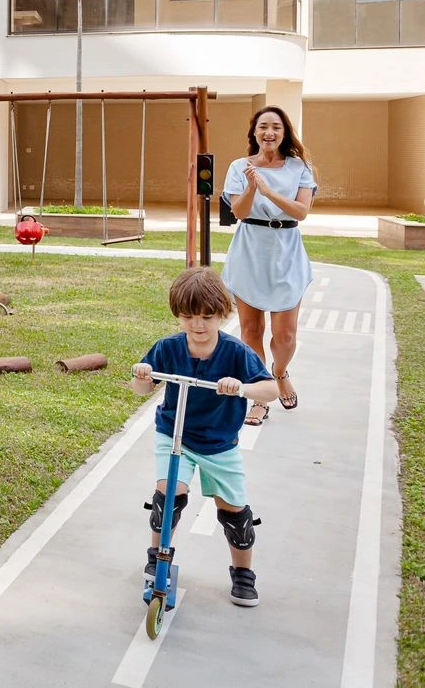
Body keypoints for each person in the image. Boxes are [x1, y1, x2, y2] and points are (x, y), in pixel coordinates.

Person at [132, 266, 278, 607]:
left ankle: (243, 574)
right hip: (175, 435)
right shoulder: (168, 348)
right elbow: (142, 388)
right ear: (178, 316)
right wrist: (142, 374)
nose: (198, 325)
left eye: (207, 317)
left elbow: (270, 389)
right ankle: (158, 556)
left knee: (234, 513)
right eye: (188, 317)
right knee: (168, 496)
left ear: (222, 314)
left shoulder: (236, 352)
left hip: (219, 444)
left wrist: (242, 388)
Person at [219, 106, 316, 426]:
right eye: (263, 127)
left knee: (285, 335)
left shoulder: (299, 167)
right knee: (251, 330)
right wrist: (250, 187)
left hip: (286, 251)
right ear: (254, 133)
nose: (269, 132)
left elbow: (301, 212)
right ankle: (261, 397)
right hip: (250, 250)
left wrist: (268, 190)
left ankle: (279, 372)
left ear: (285, 132)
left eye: (276, 126)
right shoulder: (239, 167)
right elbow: (241, 212)